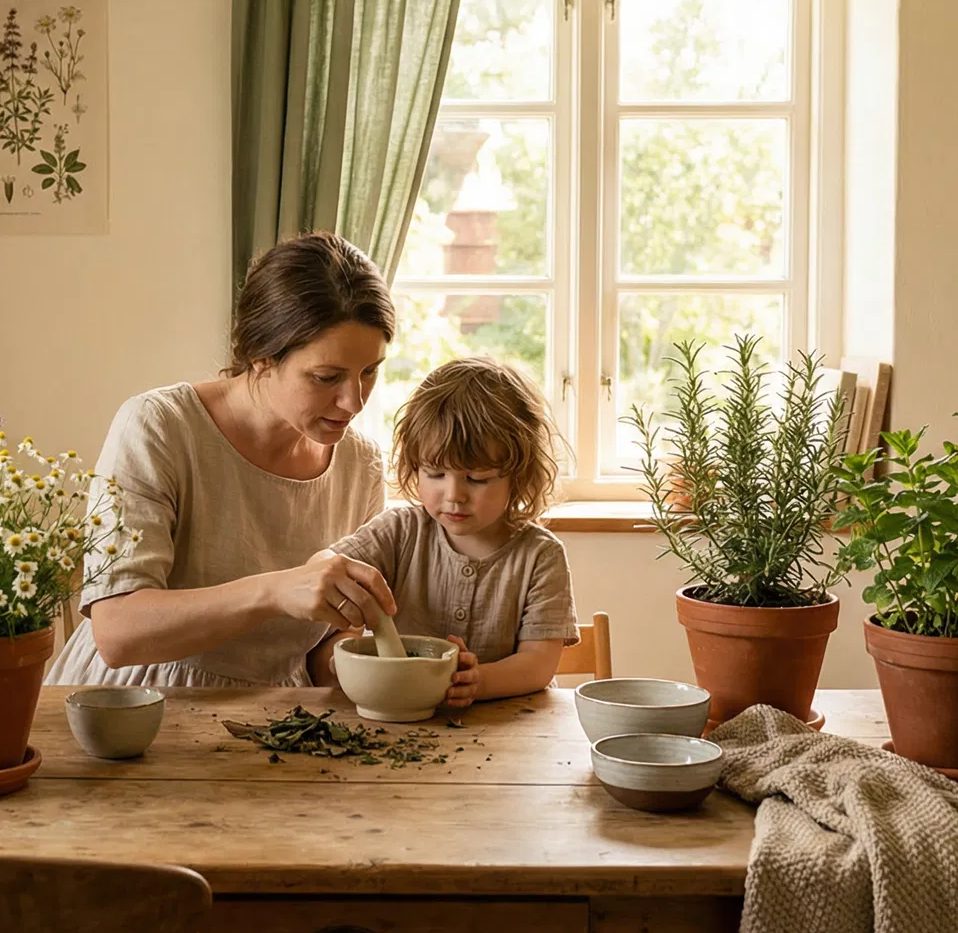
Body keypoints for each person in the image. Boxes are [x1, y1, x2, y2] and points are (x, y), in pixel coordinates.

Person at [46, 232, 401, 687]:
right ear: (260, 356)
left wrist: (361, 664)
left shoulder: (361, 466)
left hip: (277, 717)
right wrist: (275, 591)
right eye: (326, 377)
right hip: (133, 707)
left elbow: (323, 648)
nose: (354, 402)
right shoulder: (160, 427)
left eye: (370, 371)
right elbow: (118, 632)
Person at [314, 358, 578, 708]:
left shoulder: (540, 556)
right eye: (435, 474)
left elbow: (538, 664)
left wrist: (479, 682)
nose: (454, 495)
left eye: (477, 478)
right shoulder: (400, 531)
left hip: (505, 730)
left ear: (520, 476)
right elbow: (324, 567)